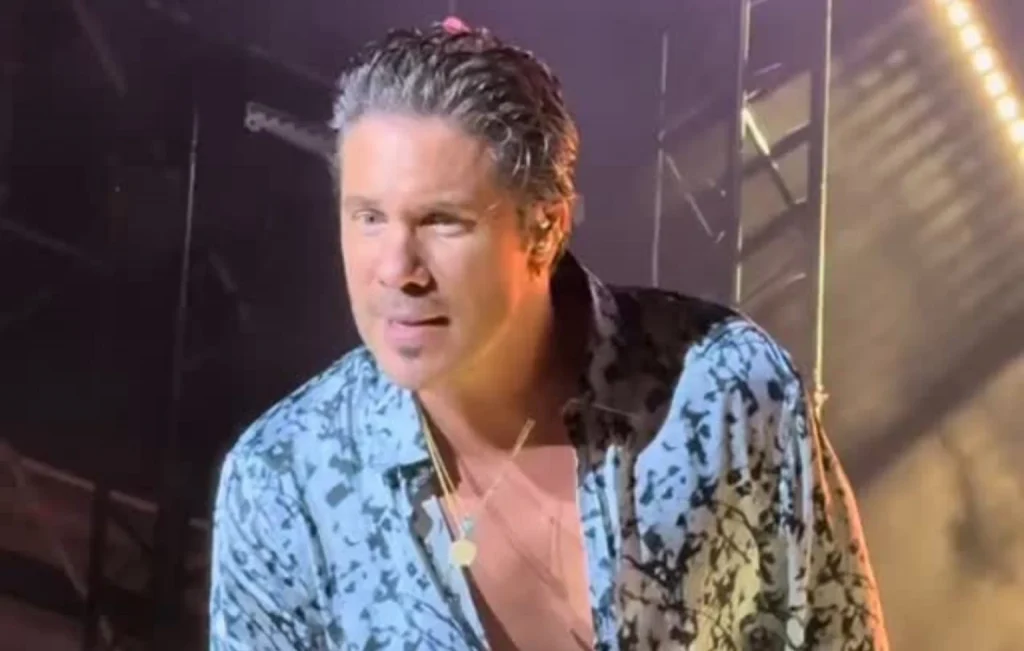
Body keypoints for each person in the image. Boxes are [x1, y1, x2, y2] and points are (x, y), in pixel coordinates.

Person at [209, 19, 889, 651]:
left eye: (442, 221)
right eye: (368, 217)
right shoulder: (284, 479)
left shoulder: (725, 393)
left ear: (544, 229)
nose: (395, 270)